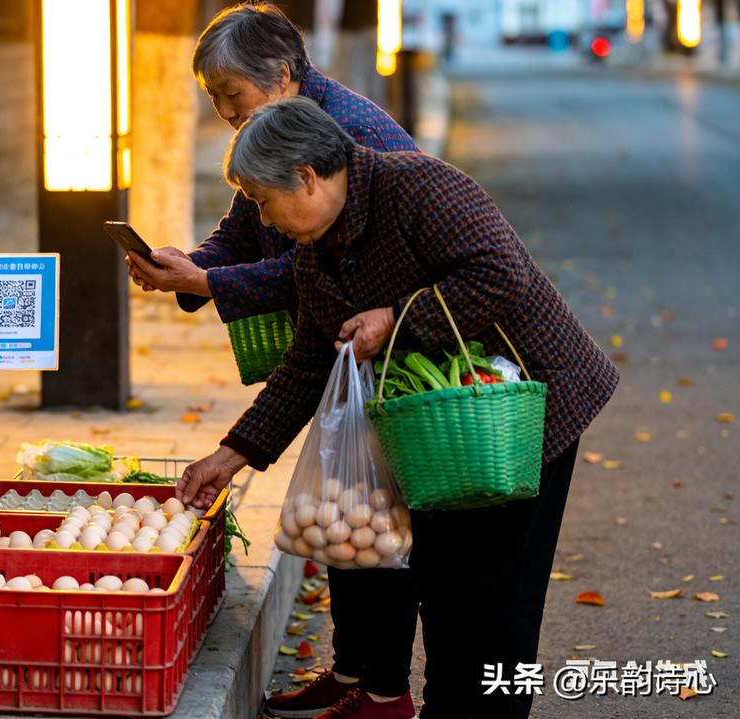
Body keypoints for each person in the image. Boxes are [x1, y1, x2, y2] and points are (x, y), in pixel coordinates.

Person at [177, 96, 618, 719]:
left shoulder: (418, 187)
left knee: (497, 596)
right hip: (440, 427)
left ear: (305, 176)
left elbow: (500, 276)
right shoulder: (315, 248)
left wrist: (397, 321)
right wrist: (230, 456)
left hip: (523, 410)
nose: (265, 221)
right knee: (441, 581)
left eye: (263, 199)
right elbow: (308, 363)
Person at [126, 5, 421, 716]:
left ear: (283, 74)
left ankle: (384, 688)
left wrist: (206, 283)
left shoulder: (340, 137)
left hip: (388, 347)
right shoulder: (274, 131)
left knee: (379, 523)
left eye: (231, 95)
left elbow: (302, 270)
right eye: (215, 100)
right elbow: (240, 231)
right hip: (338, 343)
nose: (225, 112)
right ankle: (352, 674)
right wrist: (188, 265)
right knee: (342, 510)